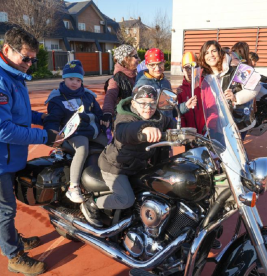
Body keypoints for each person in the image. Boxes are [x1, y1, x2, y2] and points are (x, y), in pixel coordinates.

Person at [0, 27, 62, 275]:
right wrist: (44, 136)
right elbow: (1, 129)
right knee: (4, 209)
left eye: (33, 59)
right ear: (7, 49)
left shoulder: (10, 71)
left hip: (6, 154)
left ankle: (14, 240)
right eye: (25, 58)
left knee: (9, 204)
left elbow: (18, 113)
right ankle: (14, 256)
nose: (29, 64)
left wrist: (43, 117)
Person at [81, 85, 176, 227]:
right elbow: (124, 130)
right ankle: (92, 204)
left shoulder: (158, 117)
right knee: (126, 199)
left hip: (137, 165)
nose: (148, 107)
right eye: (143, 103)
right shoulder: (125, 118)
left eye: (152, 104)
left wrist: (188, 131)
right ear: (133, 103)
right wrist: (144, 128)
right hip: (116, 167)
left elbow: (171, 123)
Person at [44, 60, 108, 203]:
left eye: (78, 80)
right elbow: (52, 118)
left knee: (110, 144)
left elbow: (98, 112)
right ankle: (73, 187)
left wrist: (103, 118)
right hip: (74, 134)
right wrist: (52, 132)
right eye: (71, 79)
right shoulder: (57, 99)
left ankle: (109, 176)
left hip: (92, 131)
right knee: (82, 149)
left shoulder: (88, 96)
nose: (74, 82)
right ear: (64, 78)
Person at [198, 40, 260, 136]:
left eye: (213, 51)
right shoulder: (204, 74)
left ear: (219, 52)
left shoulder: (234, 68)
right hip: (216, 125)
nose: (210, 55)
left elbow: (256, 85)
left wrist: (236, 97)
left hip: (237, 123)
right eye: (206, 53)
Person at [134, 48, 197, 118]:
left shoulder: (166, 83)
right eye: (152, 65)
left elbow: (170, 111)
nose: (157, 68)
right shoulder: (141, 85)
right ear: (147, 65)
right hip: (153, 127)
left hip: (167, 126)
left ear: (164, 62)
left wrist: (186, 106)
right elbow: (139, 113)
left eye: (160, 63)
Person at [102, 44, 139, 127]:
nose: (139, 59)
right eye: (135, 56)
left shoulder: (137, 75)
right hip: (125, 116)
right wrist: (107, 112)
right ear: (126, 59)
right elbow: (110, 96)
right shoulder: (116, 79)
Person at [177, 52, 206, 134]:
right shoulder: (180, 90)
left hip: (206, 132)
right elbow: (180, 114)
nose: (190, 71)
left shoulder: (204, 84)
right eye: (186, 68)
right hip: (189, 134)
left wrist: (209, 124)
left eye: (192, 67)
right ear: (182, 69)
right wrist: (184, 131)